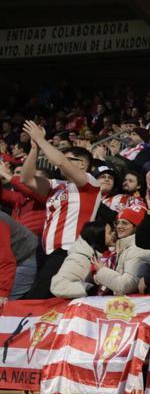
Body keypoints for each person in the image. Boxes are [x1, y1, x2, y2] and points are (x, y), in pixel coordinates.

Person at [19, 120, 103, 298]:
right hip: (46, 251)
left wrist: (41, 139)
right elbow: (25, 179)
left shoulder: (89, 182)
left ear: (81, 164)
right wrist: (34, 148)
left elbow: (60, 161)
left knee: (37, 298)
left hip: (69, 250)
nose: (63, 160)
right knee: (43, 299)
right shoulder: (56, 185)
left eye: (70, 157)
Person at [92, 208, 150, 295]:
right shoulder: (123, 247)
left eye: (125, 223)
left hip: (134, 305)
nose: (119, 226)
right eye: (117, 223)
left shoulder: (138, 249)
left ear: (136, 227)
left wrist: (102, 271)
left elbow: (126, 286)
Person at [50, 220, 113, 299]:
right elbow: (58, 286)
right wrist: (90, 289)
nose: (114, 234)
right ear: (99, 235)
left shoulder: (107, 252)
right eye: (110, 233)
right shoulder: (79, 258)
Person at [0, 210, 38, 303]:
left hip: (24, 258)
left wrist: (2, 292)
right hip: (9, 260)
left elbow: (6, 260)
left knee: (4, 304)